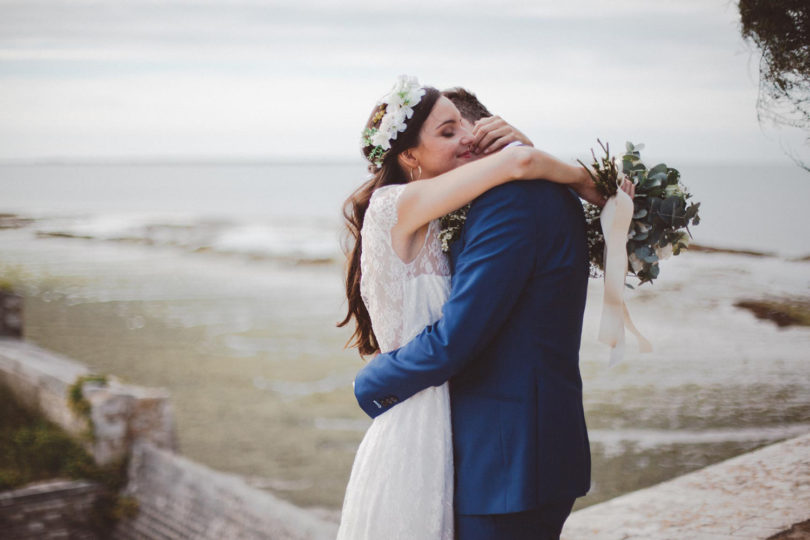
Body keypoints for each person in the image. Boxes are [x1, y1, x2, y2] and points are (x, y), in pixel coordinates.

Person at [337, 76, 618, 539]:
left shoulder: (506, 200)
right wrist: (571, 174)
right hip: (468, 447)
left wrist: (372, 381)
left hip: (504, 460)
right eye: (447, 134)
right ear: (409, 155)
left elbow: (455, 338)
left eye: (464, 131)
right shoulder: (412, 208)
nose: (467, 144)